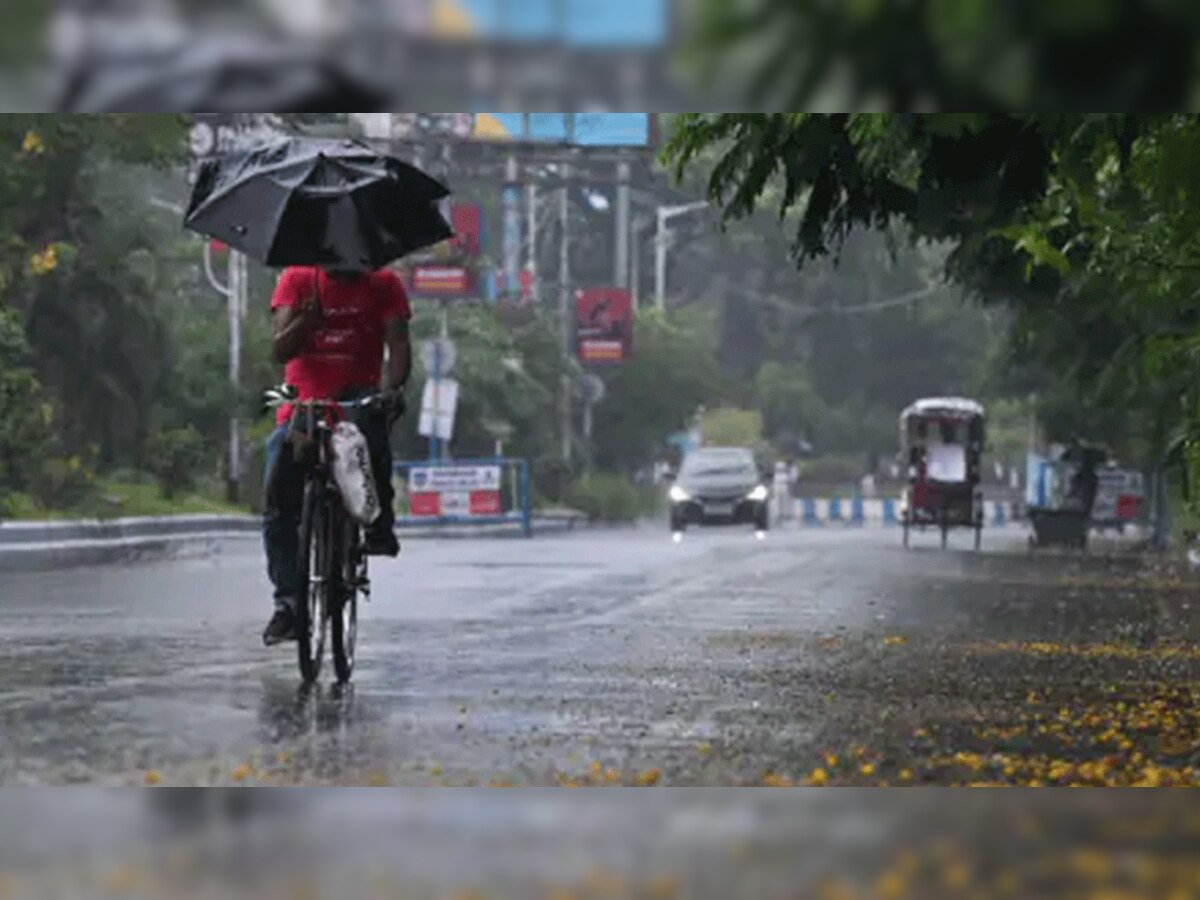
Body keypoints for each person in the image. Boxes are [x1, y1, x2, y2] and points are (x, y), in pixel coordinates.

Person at [261, 265, 411, 646]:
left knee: (371, 437)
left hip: (356, 400)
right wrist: (305, 323)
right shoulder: (297, 280)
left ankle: (380, 524)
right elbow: (280, 347)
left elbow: (398, 347)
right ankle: (288, 605)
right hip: (305, 407)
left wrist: (391, 388)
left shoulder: (384, 284)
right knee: (279, 494)